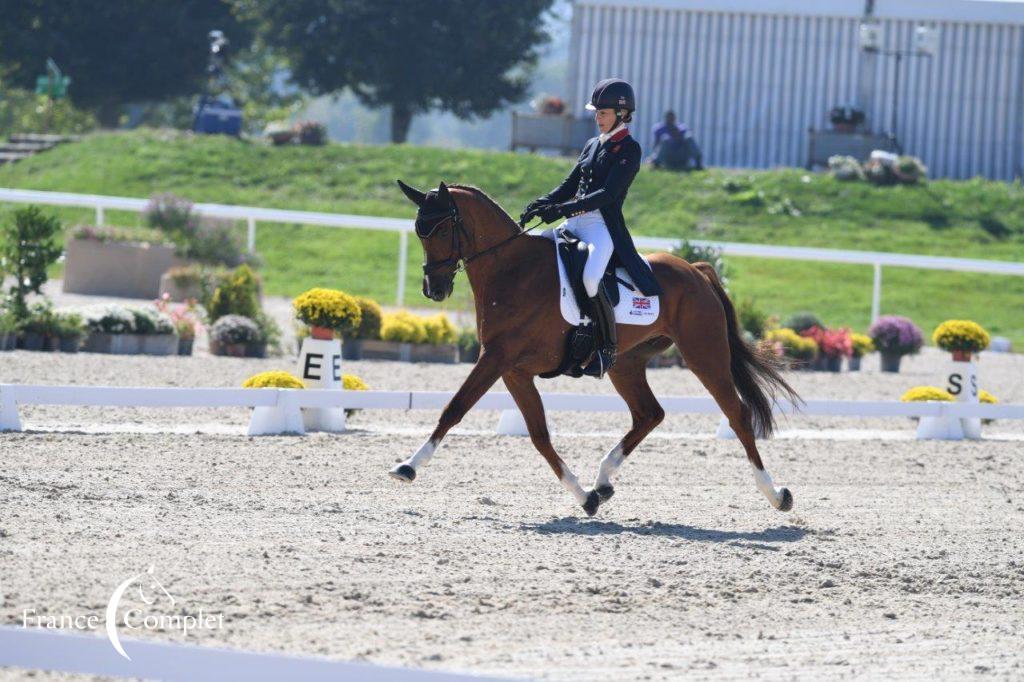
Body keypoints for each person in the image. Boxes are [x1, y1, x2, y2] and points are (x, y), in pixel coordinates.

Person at [520, 78, 664, 378]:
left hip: (601, 226)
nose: (597, 118)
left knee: (589, 278)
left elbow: (607, 195)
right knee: (538, 259)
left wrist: (563, 209)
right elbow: (569, 185)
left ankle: (606, 349)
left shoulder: (629, 149)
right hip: (574, 223)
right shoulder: (591, 145)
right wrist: (543, 202)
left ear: (622, 115)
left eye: (603, 113)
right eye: (597, 113)